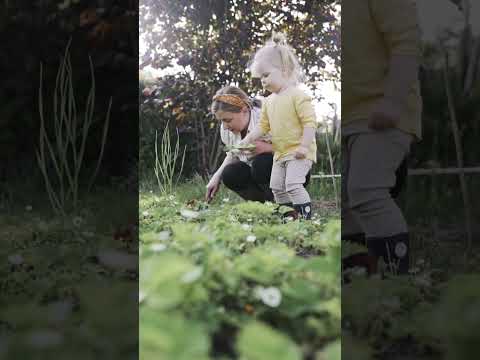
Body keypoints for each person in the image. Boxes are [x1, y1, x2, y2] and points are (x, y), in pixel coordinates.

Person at [342, 0, 422, 275]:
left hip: (381, 110)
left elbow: (407, 44)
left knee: (367, 191)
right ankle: (358, 284)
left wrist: (393, 101)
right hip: (348, 117)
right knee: (348, 210)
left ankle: (393, 284)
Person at [240, 33, 317, 220]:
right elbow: (263, 126)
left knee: (293, 185)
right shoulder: (268, 101)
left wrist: (304, 147)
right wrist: (248, 138)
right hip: (280, 153)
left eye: (266, 75)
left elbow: (309, 123)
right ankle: (289, 217)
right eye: (260, 77)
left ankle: (306, 219)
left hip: (299, 151)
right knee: (276, 187)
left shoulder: (298, 96)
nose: (263, 80)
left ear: (284, 70)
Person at [205, 86, 311, 203]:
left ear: (244, 109)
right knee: (230, 173)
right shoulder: (226, 129)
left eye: (228, 120)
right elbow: (233, 153)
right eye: (221, 121)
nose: (224, 126)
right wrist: (216, 177)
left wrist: (269, 148)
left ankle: (289, 206)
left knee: (261, 163)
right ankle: (266, 207)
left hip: (293, 170)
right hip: (260, 176)